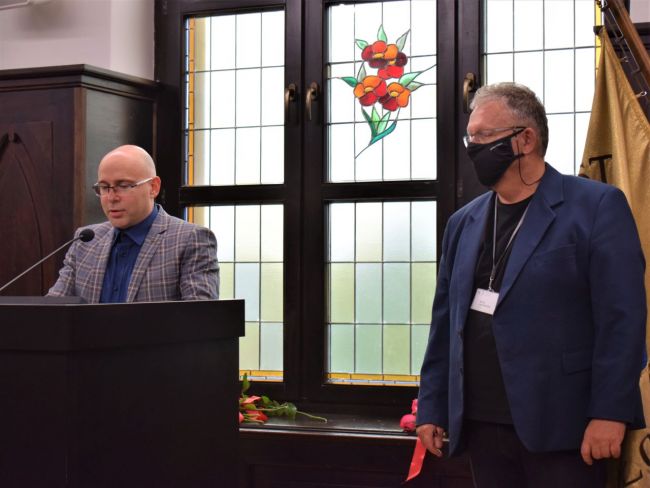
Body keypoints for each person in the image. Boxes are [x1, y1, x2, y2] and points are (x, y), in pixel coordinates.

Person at [416, 82, 646, 487]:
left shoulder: (596, 207)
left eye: (484, 136)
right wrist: (432, 406)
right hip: (481, 425)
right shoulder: (463, 222)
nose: (473, 148)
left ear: (525, 139)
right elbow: (445, 323)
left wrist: (610, 412)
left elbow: (622, 321)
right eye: (470, 138)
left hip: (565, 427)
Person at [48, 145, 219, 302]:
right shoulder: (85, 240)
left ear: (153, 187)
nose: (112, 198)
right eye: (104, 187)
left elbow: (199, 318)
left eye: (123, 186)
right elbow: (54, 309)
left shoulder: (190, 239)